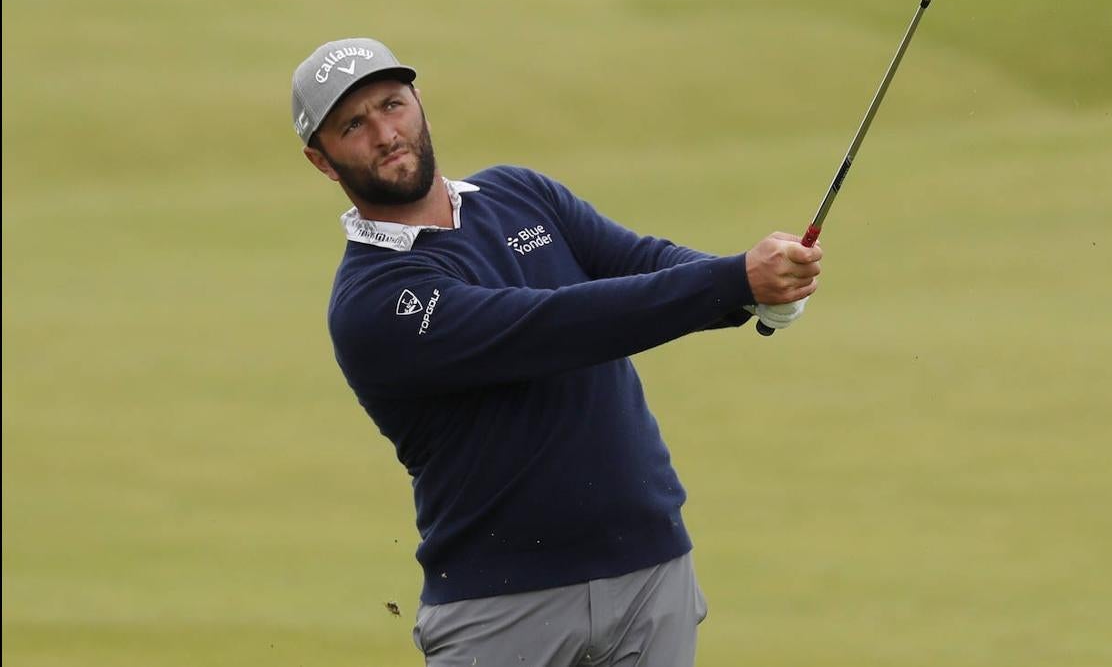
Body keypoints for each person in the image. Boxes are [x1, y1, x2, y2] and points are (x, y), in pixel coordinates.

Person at [292, 37, 822, 666]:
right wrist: (733, 281)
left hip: (650, 573)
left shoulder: (521, 194)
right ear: (321, 161)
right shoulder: (373, 302)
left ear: (419, 102)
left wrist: (759, 292)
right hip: (501, 608)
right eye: (355, 125)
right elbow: (556, 326)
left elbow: (643, 264)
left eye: (393, 104)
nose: (385, 133)